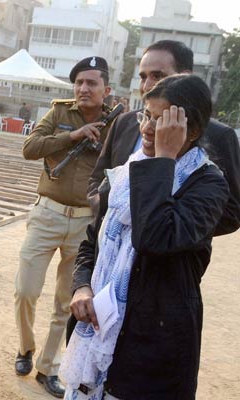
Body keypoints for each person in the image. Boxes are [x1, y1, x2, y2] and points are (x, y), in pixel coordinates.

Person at [60, 74, 228, 399]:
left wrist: (164, 159)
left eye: (161, 120)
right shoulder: (128, 172)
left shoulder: (208, 185)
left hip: (151, 350)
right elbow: (91, 242)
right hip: (97, 331)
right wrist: (81, 286)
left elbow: (155, 238)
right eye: (146, 115)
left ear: (190, 130)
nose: (148, 128)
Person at [14, 56, 113, 398]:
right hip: (47, 214)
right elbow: (30, 148)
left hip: (85, 221)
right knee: (26, 290)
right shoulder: (59, 113)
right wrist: (73, 136)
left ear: (106, 90)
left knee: (63, 302)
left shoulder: (118, 123)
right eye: (79, 83)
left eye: (92, 83)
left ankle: (48, 367)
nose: (84, 89)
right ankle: (25, 348)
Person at [88, 40, 240, 235]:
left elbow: (231, 213)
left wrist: (176, 233)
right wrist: (109, 212)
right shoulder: (125, 122)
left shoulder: (218, 135)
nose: (148, 86)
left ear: (183, 77)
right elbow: (98, 178)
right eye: (143, 77)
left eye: (157, 76)